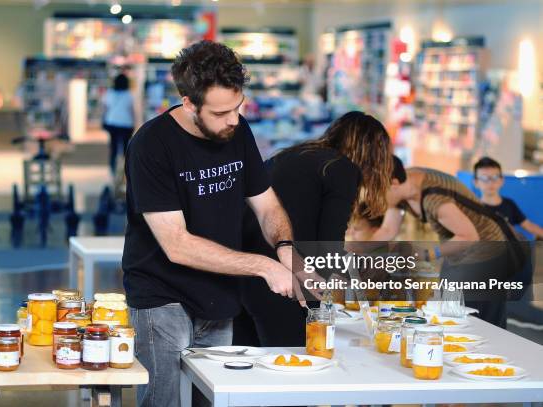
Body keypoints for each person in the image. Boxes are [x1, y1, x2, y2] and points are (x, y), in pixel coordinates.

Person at [122, 41, 297, 407]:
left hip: (219, 295)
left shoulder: (237, 130)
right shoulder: (151, 145)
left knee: (210, 401)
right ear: (189, 103)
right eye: (220, 112)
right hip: (161, 298)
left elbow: (267, 207)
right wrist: (263, 265)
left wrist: (285, 248)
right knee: (164, 402)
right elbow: (177, 245)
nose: (233, 119)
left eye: (238, 106)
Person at [234, 111, 394, 347]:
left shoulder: (292, 155)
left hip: (244, 275)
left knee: (252, 372)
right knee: (294, 369)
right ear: (374, 153)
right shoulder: (340, 169)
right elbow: (329, 249)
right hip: (285, 285)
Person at [371, 157, 519, 328]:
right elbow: (388, 230)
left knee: (479, 323)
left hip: (486, 253)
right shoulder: (403, 185)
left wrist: (425, 254)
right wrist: (358, 253)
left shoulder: (434, 198)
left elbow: (468, 236)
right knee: (449, 311)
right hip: (460, 254)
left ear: (394, 183)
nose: (376, 198)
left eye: (377, 192)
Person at [473, 157, 543, 239]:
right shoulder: (474, 207)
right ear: (476, 182)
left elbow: (529, 226)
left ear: (501, 180)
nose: (490, 182)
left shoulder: (509, 204)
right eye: (484, 178)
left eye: (495, 177)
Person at [103, 73, 135, 174]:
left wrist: (103, 119)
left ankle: (113, 170)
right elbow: (132, 111)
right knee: (126, 148)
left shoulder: (109, 93)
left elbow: (105, 108)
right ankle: (126, 172)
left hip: (112, 123)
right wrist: (135, 123)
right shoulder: (129, 95)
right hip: (126, 124)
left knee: (114, 147)